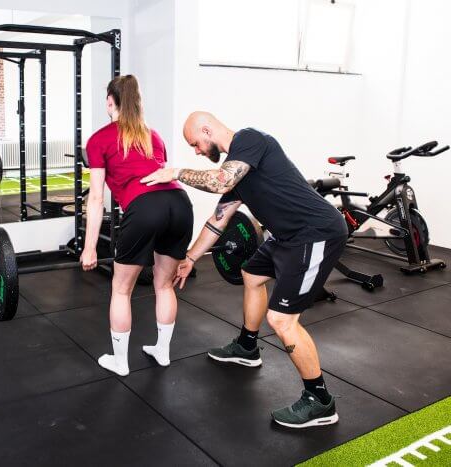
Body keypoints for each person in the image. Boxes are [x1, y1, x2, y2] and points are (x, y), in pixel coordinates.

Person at [140, 111, 348, 428]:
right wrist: (191, 258)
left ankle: (319, 401)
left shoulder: (251, 141)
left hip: (315, 233)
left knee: (281, 320)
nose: (196, 151)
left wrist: (177, 172)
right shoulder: (239, 172)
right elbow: (218, 220)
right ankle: (248, 347)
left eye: (195, 143)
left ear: (207, 130)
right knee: (251, 274)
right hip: (286, 237)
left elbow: (220, 179)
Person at [81, 75, 194, 376]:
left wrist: (90, 247)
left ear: (110, 103)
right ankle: (163, 352)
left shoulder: (99, 139)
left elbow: (95, 199)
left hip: (145, 208)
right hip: (180, 204)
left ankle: (120, 363)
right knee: (164, 284)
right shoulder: (153, 136)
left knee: (121, 289)